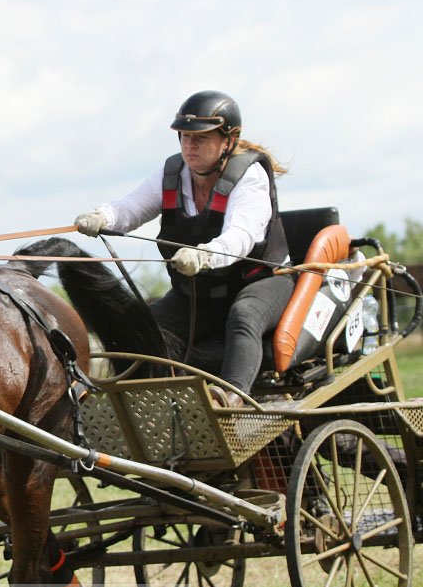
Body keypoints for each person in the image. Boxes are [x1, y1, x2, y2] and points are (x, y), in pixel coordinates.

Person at [75, 90, 294, 407]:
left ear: (228, 140)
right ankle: (146, 404)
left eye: (201, 138)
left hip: (261, 282)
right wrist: (102, 216)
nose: (189, 146)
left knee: (244, 315)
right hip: (200, 292)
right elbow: (132, 207)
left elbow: (241, 236)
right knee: (143, 328)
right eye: (184, 137)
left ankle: (232, 400)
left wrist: (205, 254)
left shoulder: (250, 177)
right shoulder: (172, 174)